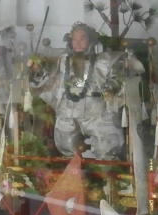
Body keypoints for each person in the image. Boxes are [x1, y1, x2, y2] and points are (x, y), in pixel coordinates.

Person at [28, 22, 127, 158]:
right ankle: (71, 168)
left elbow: (118, 74)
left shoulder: (104, 60)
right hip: (68, 110)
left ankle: (106, 169)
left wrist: (110, 87)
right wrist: (38, 70)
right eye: (74, 39)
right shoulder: (63, 61)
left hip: (96, 111)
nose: (78, 43)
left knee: (106, 145)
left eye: (82, 39)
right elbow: (49, 79)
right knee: (65, 143)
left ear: (90, 40)